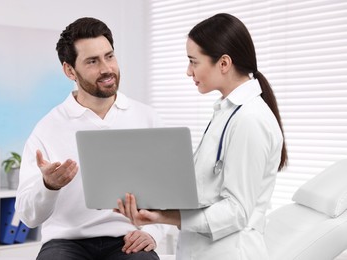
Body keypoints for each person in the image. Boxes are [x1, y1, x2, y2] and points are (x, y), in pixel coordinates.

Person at [116, 13, 288, 259]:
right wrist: (156, 203)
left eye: (193, 61)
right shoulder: (227, 112)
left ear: (224, 63)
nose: (188, 71)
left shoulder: (250, 120)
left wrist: (166, 217)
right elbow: (208, 191)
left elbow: (237, 211)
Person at [15, 17, 168, 260]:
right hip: (66, 243)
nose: (106, 68)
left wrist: (153, 233)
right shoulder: (47, 128)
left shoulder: (147, 118)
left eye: (109, 56)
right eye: (92, 61)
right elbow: (28, 216)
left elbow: (168, 191)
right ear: (69, 70)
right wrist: (49, 186)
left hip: (126, 239)